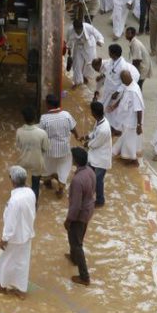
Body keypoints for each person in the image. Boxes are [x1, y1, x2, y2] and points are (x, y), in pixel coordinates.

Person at [0, 166, 36, 299]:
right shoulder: (30, 192)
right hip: (27, 234)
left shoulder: (14, 201)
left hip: (14, 237)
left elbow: (10, 223)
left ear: (13, 181)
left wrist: (4, 239)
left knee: (4, 260)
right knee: (22, 262)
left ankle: (0, 285)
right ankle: (21, 290)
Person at [65, 147, 96, 286]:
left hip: (79, 215)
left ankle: (84, 277)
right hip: (88, 209)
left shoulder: (77, 180)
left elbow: (76, 206)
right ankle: (73, 258)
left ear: (76, 161)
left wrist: (68, 220)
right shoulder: (90, 171)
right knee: (77, 237)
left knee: (77, 243)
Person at [39, 96, 77, 196]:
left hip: (49, 150)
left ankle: (48, 183)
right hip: (64, 148)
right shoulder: (66, 115)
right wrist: (77, 136)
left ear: (49, 105)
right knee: (63, 167)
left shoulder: (44, 118)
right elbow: (73, 128)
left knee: (47, 165)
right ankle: (60, 190)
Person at [14, 107, 48, 205]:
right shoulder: (42, 133)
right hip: (37, 161)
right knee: (35, 185)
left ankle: (20, 202)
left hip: (23, 161)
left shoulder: (19, 131)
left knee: (21, 184)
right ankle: (34, 204)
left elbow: (19, 146)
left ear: (24, 118)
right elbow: (45, 148)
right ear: (35, 118)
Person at [109, 70, 144, 165]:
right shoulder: (128, 86)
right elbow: (122, 98)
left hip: (132, 121)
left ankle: (133, 160)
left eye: (122, 80)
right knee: (125, 137)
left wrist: (139, 125)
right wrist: (114, 106)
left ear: (126, 79)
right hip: (126, 119)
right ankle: (122, 153)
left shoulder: (134, 91)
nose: (122, 82)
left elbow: (139, 109)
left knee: (129, 140)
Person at [85, 100, 112, 207]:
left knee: (98, 180)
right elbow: (94, 132)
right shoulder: (100, 120)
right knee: (89, 174)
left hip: (101, 158)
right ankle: (89, 194)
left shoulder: (104, 129)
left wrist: (87, 144)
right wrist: (87, 136)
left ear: (94, 113)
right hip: (96, 155)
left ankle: (100, 200)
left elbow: (95, 143)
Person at [66, 19, 104, 88]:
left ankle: (85, 76)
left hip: (89, 46)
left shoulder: (88, 27)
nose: (78, 32)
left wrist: (100, 41)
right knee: (76, 63)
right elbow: (69, 42)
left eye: (79, 30)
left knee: (89, 64)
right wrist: (69, 54)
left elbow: (98, 34)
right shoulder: (70, 30)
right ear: (74, 28)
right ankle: (78, 81)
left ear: (82, 27)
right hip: (78, 46)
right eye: (76, 30)